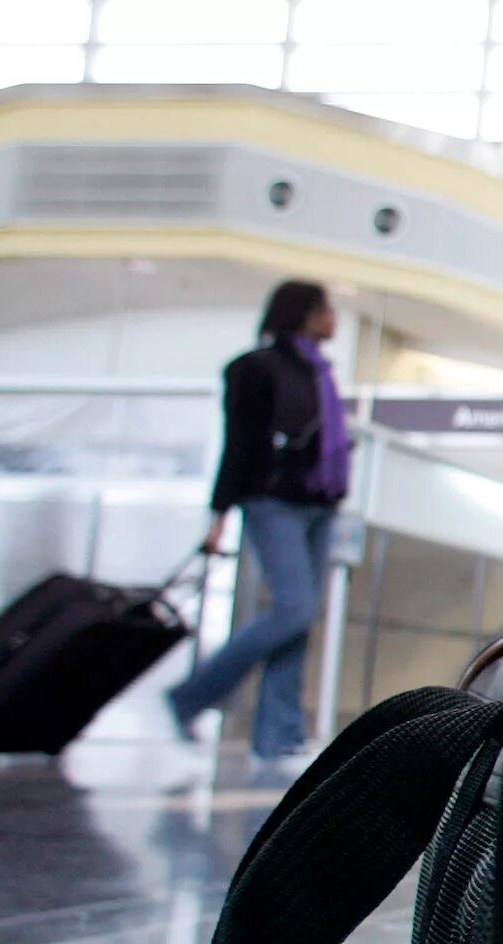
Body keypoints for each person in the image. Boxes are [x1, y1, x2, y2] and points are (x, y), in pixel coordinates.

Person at [166, 280, 350, 762]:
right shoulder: (254, 369)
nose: (334, 319)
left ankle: (278, 738)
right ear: (304, 314)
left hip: (318, 504)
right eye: (326, 310)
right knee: (293, 608)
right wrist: (219, 515)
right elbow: (239, 444)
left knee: (300, 619)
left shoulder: (319, 373)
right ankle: (191, 696)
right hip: (273, 503)